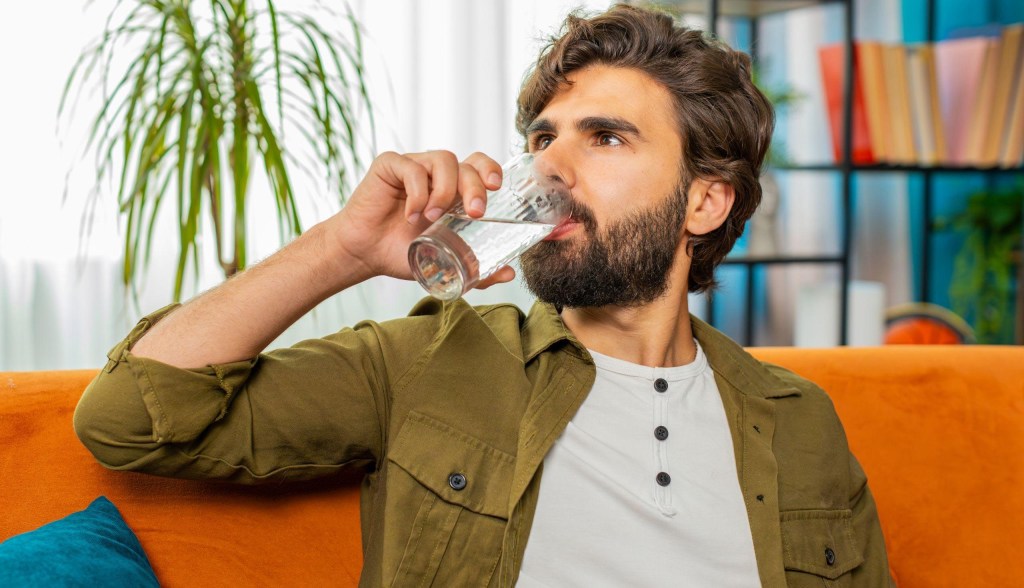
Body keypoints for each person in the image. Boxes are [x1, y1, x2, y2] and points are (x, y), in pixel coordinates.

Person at [74, 4, 893, 586]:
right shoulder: (429, 359)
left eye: (604, 136)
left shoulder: (800, 421)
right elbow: (129, 420)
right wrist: (343, 250)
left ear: (704, 202)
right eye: (542, 138)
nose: (548, 165)